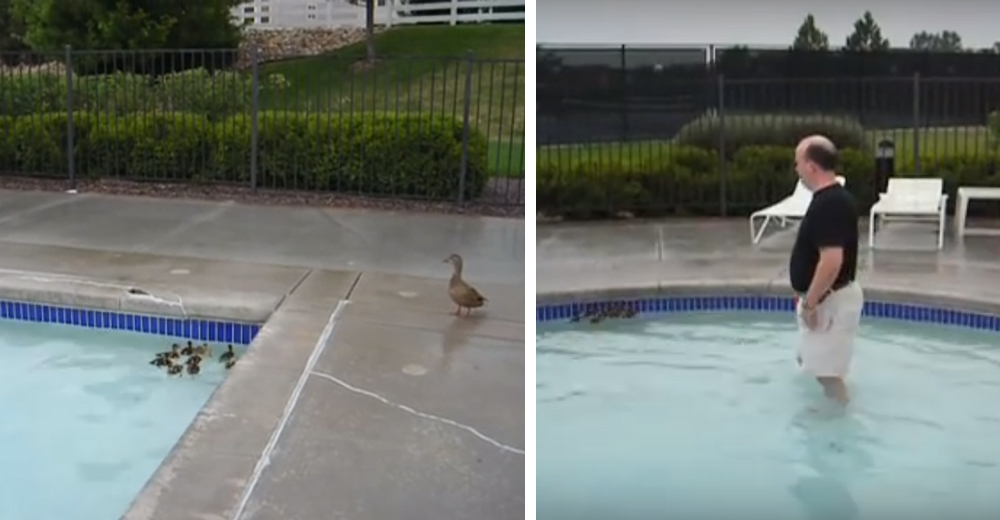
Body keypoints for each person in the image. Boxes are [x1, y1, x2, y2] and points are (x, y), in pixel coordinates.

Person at [788, 135, 864, 405]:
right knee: (817, 367)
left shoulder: (830, 203)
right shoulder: (831, 199)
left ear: (811, 166)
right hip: (826, 299)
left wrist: (810, 304)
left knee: (827, 375)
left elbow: (831, 261)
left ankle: (838, 432)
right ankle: (829, 419)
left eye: (797, 162)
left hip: (829, 300)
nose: (796, 169)